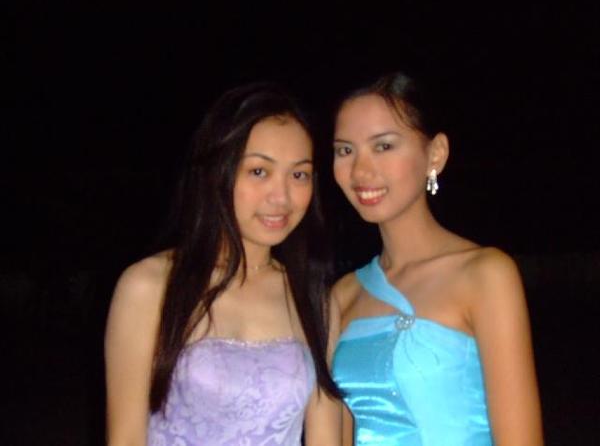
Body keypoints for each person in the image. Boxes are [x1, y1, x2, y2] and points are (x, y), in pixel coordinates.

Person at [104, 82, 341, 446]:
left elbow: (325, 438)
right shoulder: (150, 286)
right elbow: (125, 438)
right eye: (259, 171)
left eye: (299, 175)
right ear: (218, 171)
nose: (281, 197)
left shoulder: (315, 300)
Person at [330, 72, 543, 445]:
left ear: (435, 154)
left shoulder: (485, 274)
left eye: (383, 146)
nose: (360, 170)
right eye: (345, 150)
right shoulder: (343, 295)